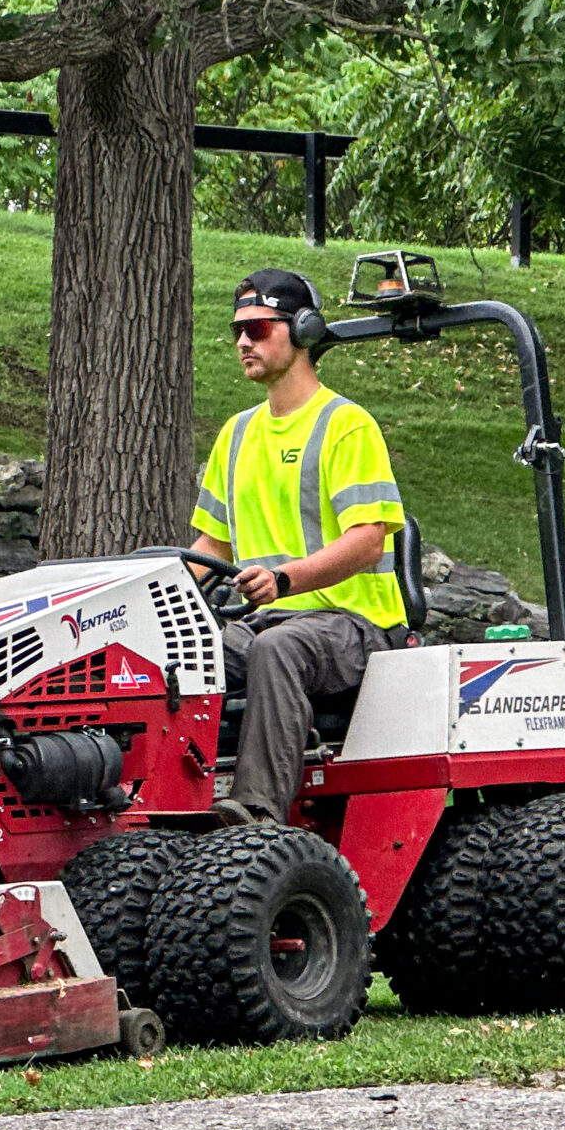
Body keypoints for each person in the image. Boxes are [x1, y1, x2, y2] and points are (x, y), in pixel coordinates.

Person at [188, 267, 410, 824]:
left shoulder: (346, 426)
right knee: (177, 660)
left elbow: (367, 541)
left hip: (356, 625)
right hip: (270, 622)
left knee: (278, 649)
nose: (243, 341)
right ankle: (163, 804)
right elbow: (210, 546)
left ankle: (258, 811)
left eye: (260, 328)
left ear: (304, 332)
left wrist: (286, 579)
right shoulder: (235, 435)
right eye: (238, 330)